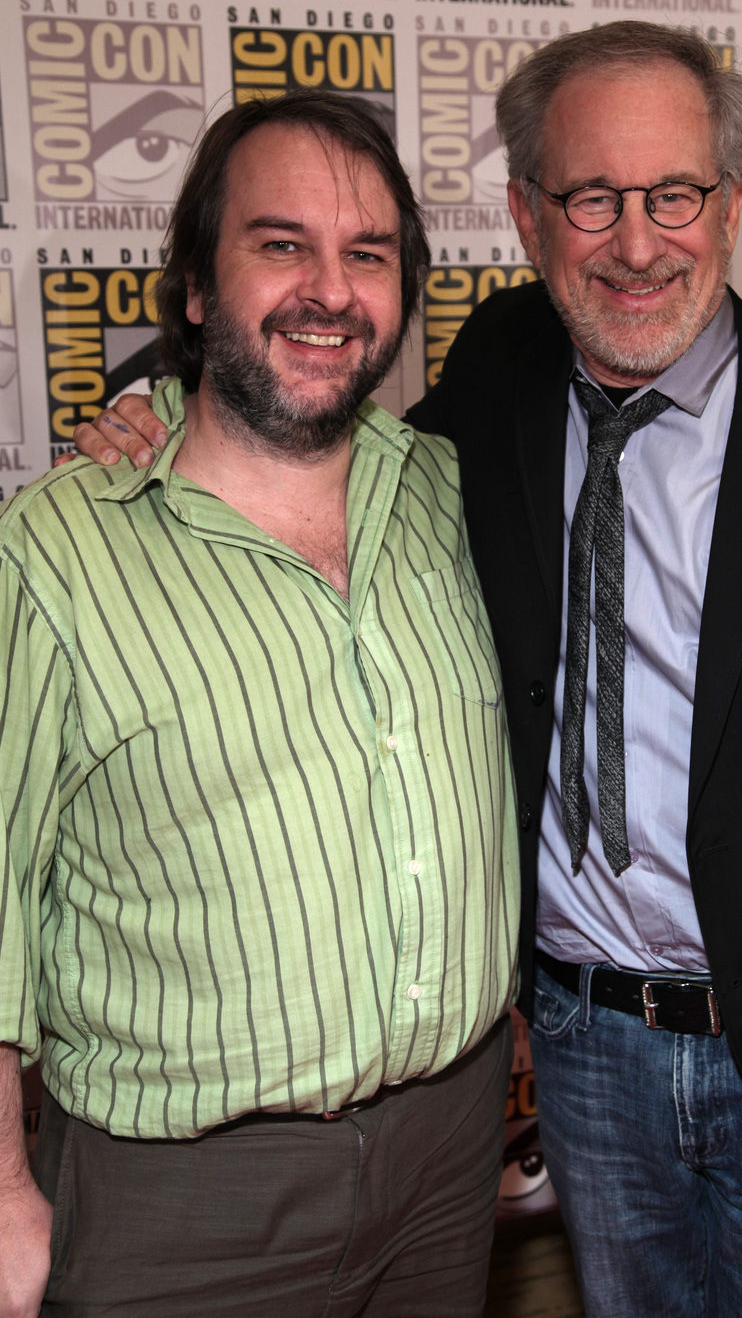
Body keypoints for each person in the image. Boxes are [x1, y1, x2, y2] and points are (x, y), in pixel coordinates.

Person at [72, 22, 742, 1317]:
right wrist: (169, 413)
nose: (637, 241)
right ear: (529, 217)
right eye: (593, 197)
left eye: (674, 195)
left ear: (732, 206)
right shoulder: (499, 367)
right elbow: (317, 446)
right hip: (583, 1055)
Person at [0, 91, 519, 1318]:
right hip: (183, 1200)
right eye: (281, 245)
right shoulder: (57, 550)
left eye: (369, 255)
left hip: (452, 1159)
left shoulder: (457, 494)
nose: (329, 292)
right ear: (194, 286)